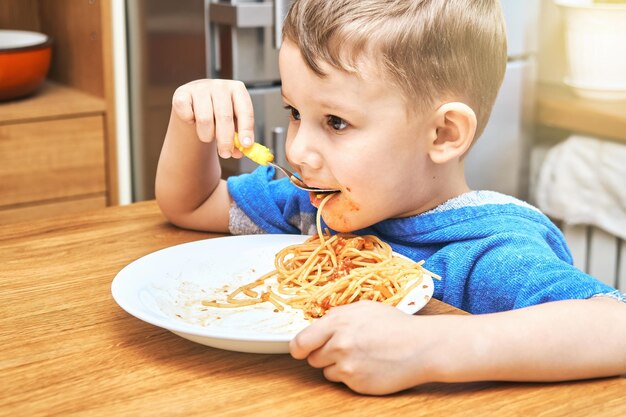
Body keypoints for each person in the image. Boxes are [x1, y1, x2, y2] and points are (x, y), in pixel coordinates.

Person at [155, 0, 626, 395]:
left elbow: (615, 328)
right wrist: (189, 118)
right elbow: (191, 205)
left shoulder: (486, 250)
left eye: (336, 122)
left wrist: (429, 347)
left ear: (442, 133)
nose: (296, 150)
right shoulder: (310, 207)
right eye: (295, 112)